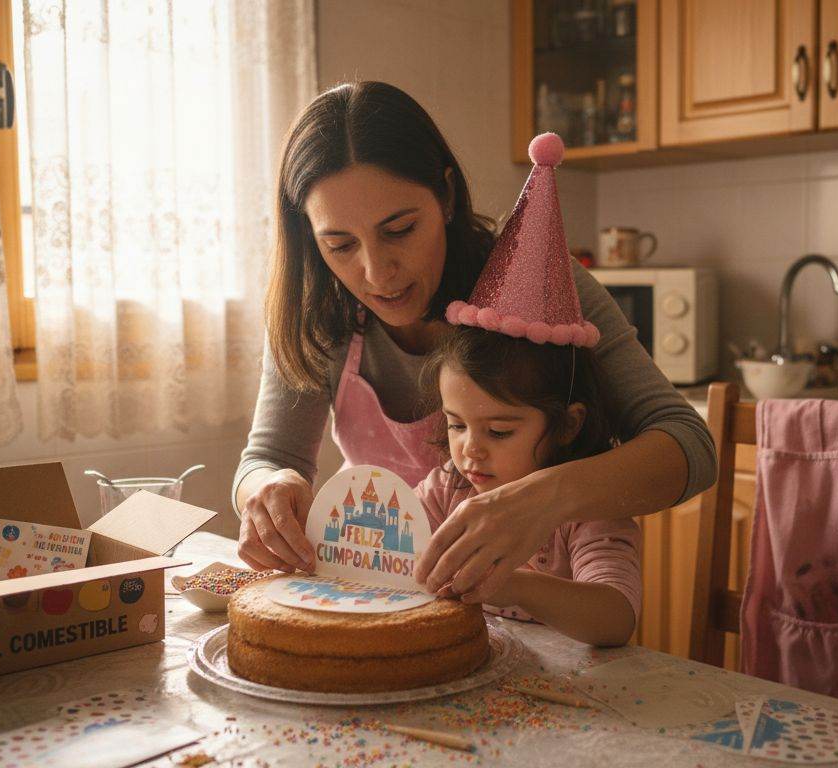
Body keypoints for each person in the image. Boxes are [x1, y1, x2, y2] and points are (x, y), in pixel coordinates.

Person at [234, 81, 716, 602]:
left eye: (399, 229)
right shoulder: (320, 312)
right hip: (383, 600)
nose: (376, 272)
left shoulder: (535, 284)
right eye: (340, 244)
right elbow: (266, 455)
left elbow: (689, 446)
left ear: (445, 195)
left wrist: (544, 499)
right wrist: (266, 489)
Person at [415, 324, 640, 647]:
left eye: (499, 431)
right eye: (457, 425)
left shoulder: (588, 509)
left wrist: (516, 585)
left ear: (569, 424)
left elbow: (616, 620)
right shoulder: (447, 490)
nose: (470, 449)